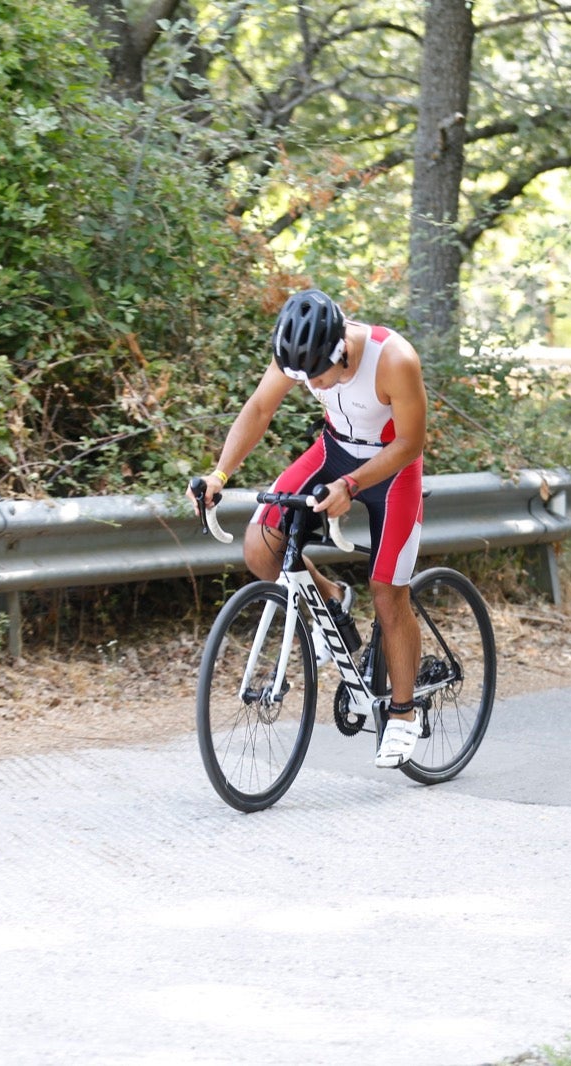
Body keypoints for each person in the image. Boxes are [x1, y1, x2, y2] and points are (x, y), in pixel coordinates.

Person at [189, 289, 428, 769]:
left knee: (387, 591)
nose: (310, 382)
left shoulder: (393, 359)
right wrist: (219, 474)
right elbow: (259, 408)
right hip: (334, 450)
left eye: (316, 375)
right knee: (261, 549)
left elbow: (411, 440)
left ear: (341, 351)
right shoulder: (298, 355)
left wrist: (353, 484)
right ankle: (333, 600)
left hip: (392, 468)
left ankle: (404, 713)